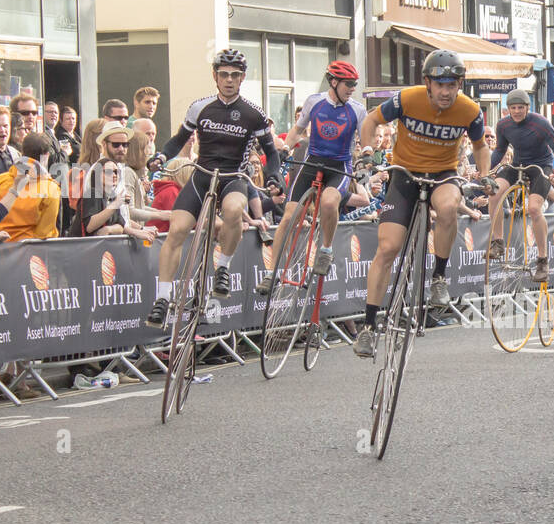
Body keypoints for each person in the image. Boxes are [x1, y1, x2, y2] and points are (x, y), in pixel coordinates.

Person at [352, 49, 489, 358]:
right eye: (440, 85)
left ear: (459, 85)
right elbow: (372, 119)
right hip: (404, 174)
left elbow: (480, 146)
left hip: (443, 173)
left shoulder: (470, 110)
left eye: (452, 85)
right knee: (387, 248)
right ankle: (369, 327)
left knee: (449, 206)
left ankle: (439, 276)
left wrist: (485, 174)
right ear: (428, 83)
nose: (445, 91)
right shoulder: (407, 99)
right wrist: (368, 151)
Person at [145, 49, 283, 327]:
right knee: (178, 229)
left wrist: (273, 178)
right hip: (202, 176)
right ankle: (162, 299)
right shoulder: (200, 107)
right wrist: (162, 156)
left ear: (242, 78)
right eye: (223, 75)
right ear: (215, 77)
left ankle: (223, 268)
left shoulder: (254, 114)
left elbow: (272, 153)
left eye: (234, 75)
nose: (229, 80)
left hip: (234, 177)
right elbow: (177, 140)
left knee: (233, 210)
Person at [256, 61, 365, 295]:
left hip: (339, 166)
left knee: (328, 202)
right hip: (312, 160)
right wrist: (285, 147)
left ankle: (325, 250)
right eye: (349, 84)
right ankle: (272, 272)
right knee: (288, 216)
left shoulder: (357, 109)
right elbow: (297, 130)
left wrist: (366, 154)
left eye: (355, 84)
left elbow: (365, 139)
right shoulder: (314, 102)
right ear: (333, 82)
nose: (352, 88)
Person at [487, 89, 554, 283]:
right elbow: (499, 151)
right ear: (507, 109)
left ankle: (542, 260)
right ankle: (498, 242)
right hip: (518, 164)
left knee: (533, 208)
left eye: (520, 107)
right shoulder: (503, 125)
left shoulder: (539, 123)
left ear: (527, 107)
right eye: (512, 108)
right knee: (494, 193)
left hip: (541, 166)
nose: (516, 111)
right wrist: (485, 170)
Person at [0, 133, 62, 242]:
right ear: (47, 155)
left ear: (22, 153)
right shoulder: (51, 189)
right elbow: (44, 234)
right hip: (26, 252)